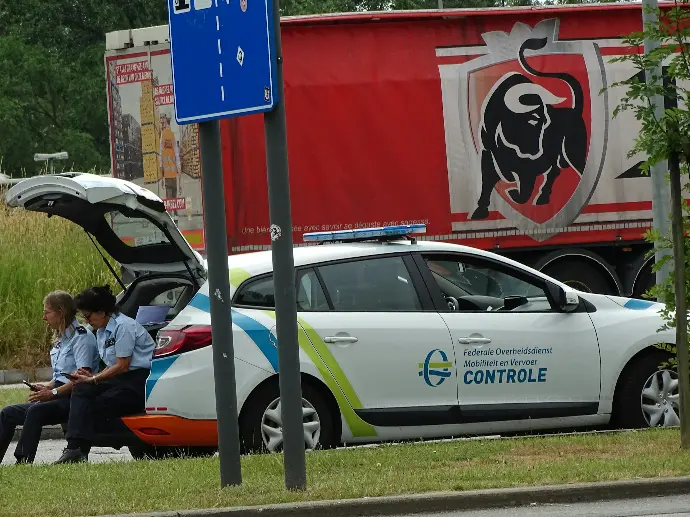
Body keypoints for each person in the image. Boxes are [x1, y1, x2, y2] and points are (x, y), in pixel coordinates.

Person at [55, 285, 155, 464]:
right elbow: (110, 367)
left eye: (88, 316)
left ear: (101, 312)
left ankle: (130, 437)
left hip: (137, 381)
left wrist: (94, 379)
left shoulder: (123, 327)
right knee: (80, 389)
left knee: (95, 406)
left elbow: (122, 366)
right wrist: (87, 378)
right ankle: (74, 448)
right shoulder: (101, 331)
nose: (87, 320)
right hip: (118, 379)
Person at [0, 291, 99, 465]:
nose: (44, 318)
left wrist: (52, 392)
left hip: (74, 397)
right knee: (7, 413)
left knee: (35, 411)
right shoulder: (62, 339)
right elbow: (61, 375)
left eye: (47, 312)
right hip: (58, 393)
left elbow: (80, 379)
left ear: (60, 313)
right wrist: (46, 387)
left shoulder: (82, 338)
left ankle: (23, 461)